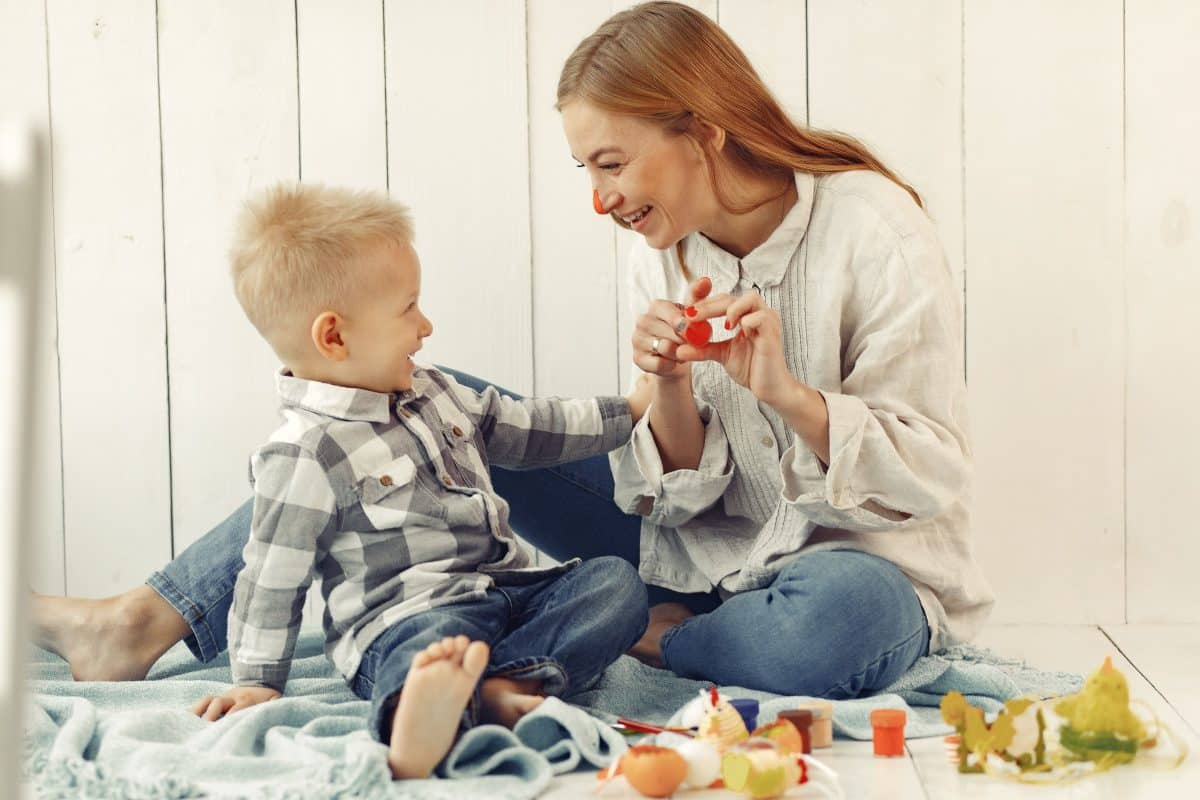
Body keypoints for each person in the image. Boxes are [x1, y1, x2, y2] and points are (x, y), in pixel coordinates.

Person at [33, 0, 992, 705]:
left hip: (851, 561)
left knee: (835, 629)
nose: (600, 199)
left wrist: (788, 396)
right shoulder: (660, 248)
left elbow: (932, 474)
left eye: (611, 164)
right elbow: (675, 484)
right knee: (410, 404)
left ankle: (658, 636)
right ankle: (143, 620)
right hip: (689, 548)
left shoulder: (875, 229)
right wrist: (663, 386)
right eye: (586, 169)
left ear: (702, 132)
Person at [50, 183, 652, 780]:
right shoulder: (303, 453)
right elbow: (271, 578)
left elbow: (529, 425)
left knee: (614, 585)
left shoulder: (433, 391)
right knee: (425, 650)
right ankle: (417, 720)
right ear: (334, 336)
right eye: (408, 308)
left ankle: (496, 688)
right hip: (406, 620)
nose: (426, 325)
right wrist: (256, 681)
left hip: (504, 594)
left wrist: (628, 410)